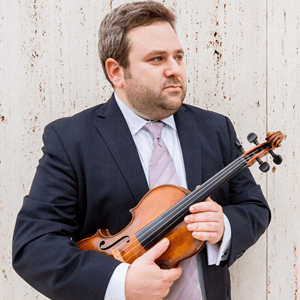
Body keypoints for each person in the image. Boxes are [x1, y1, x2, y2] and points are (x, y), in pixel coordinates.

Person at [12, 1, 271, 300]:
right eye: (157, 59)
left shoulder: (214, 128)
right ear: (116, 72)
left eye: (178, 57)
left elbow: (254, 208)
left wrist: (223, 226)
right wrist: (120, 282)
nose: (175, 69)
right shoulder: (71, 139)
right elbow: (33, 245)